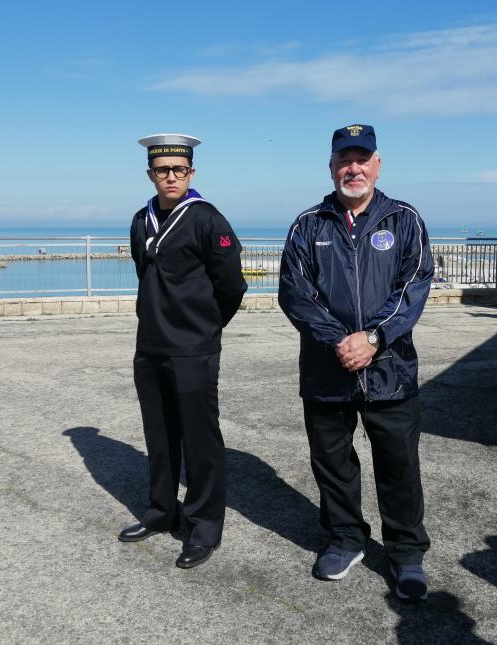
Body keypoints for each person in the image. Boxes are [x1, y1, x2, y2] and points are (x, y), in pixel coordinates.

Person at [278, 125, 434, 601]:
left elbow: (414, 287)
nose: (354, 168)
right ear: (331, 167)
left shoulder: (404, 219)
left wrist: (374, 337)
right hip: (327, 371)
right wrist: (341, 342)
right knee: (333, 464)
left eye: (362, 159)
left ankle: (406, 553)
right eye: (344, 160)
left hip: (390, 372)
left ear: (377, 164)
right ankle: (346, 539)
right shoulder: (308, 225)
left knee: (399, 466)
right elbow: (295, 294)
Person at [121, 134, 247, 568]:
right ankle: (161, 512)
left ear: (191, 172)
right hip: (150, 345)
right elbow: (146, 274)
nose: (170, 176)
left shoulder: (207, 219)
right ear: (150, 174)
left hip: (193, 348)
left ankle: (203, 526)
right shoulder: (141, 219)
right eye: (162, 170)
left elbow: (232, 284)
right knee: (158, 435)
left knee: (200, 439)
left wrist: (206, 328)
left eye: (178, 169)